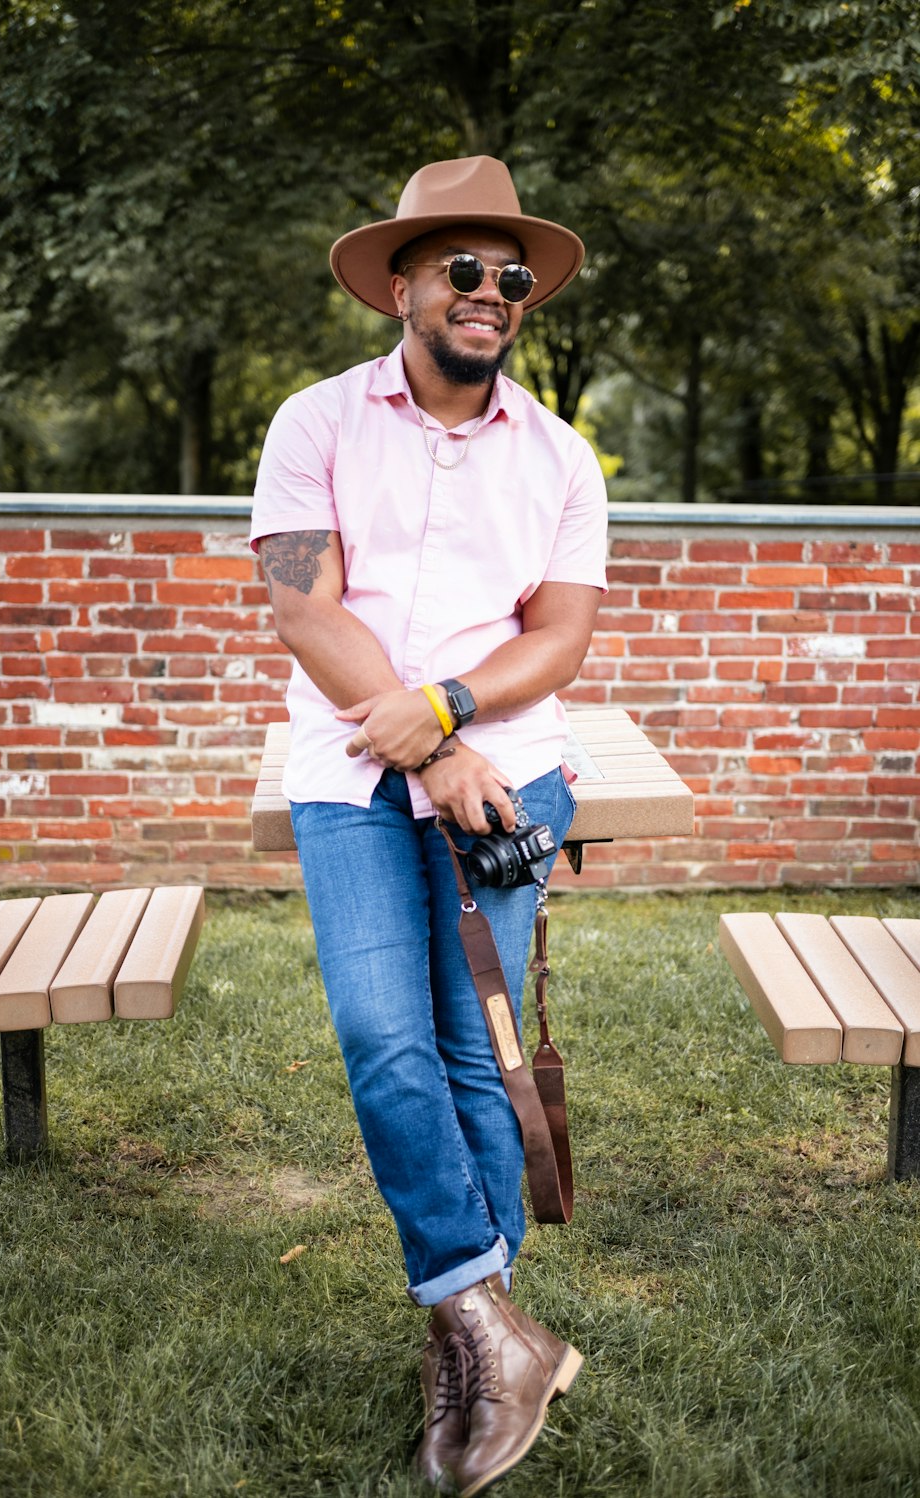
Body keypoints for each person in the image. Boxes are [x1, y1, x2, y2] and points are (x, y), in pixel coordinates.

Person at [250, 155, 607, 1496]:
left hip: (509, 782)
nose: (489, 292)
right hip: (353, 782)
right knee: (381, 1036)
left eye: (510, 276)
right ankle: (484, 1320)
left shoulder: (564, 456)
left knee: (477, 1059)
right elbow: (300, 603)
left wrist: (453, 715)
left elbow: (560, 635)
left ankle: (471, 1340)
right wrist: (421, 741)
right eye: (461, 267)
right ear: (400, 284)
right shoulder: (313, 425)